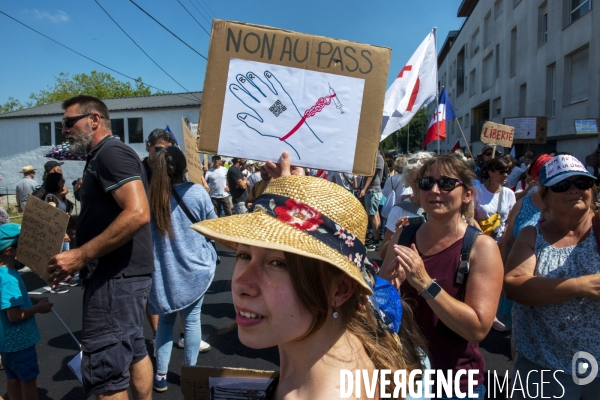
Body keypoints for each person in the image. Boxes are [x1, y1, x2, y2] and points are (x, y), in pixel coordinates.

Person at [191, 152, 428, 399]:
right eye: (244, 255)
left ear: (339, 290)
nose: (241, 283)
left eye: (276, 263)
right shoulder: (330, 351)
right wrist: (290, 188)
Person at [46, 95, 154, 399]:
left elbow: (137, 212)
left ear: (94, 120)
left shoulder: (110, 153)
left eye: (69, 122)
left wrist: (80, 255)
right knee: (133, 350)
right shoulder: (103, 156)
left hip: (114, 279)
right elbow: (112, 212)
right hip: (123, 277)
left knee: (107, 374)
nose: (64, 129)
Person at [380, 155, 504, 398]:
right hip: (402, 377)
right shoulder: (404, 236)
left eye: (446, 183)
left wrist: (425, 284)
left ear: (467, 194)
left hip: (455, 384)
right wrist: (388, 291)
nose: (435, 190)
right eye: (426, 183)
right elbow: (378, 304)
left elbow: (476, 329)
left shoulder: (481, 247)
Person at [505, 154, 600, 398]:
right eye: (562, 185)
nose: (574, 190)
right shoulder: (531, 236)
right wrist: (579, 286)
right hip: (544, 368)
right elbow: (515, 286)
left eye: (582, 183)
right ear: (544, 197)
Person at [148, 147, 217, 392]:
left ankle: (160, 376)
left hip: (164, 272)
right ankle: (191, 374)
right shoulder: (197, 193)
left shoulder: (151, 197)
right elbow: (213, 227)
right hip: (194, 268)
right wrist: (206, 193)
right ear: (185, 167)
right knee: (191, 320)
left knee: (165, 322)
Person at [496, 155, 552, 333]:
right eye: (544, 175)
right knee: (519, 336)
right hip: (519, 280)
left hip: (550, 285)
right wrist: (499, 279)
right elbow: (507, 241)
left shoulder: (563, 206)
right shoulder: (520, 205)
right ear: (535, 178)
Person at [0, 223, 54, 400]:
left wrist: (31, 299)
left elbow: (7, 303)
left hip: (6, 344)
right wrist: (37, 309)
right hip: (20, 343)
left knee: (12, 378)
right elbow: (14, 315)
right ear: (10, 251)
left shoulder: (3, 274)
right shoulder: (10, 279)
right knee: (28, 380)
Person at [380, 152, 433, 257]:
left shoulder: (444, 208)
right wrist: (398, 234)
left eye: (426, 181)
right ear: (408, 181)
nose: (420, 186)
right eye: (416, 181)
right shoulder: (399, 210)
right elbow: (383, 254)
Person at [473, 157, 516, 243]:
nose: (506, 175)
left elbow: (510, 221)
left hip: (501, 242)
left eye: (507, 172)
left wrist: (505, 240)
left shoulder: (509, 194)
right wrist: (483, 239)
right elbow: (471, 218)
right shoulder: (476, 191)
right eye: (502, 172)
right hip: (480, 241)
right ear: (490, 173)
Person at [359, 151, 385, 251]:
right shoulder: (378, 157)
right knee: (375, 215)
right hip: (374, 189)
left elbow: (371, 175)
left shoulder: (377, 158)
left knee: (372, 215)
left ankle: (376, 240)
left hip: (372, 189)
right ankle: (376, 239)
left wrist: (364, 189)